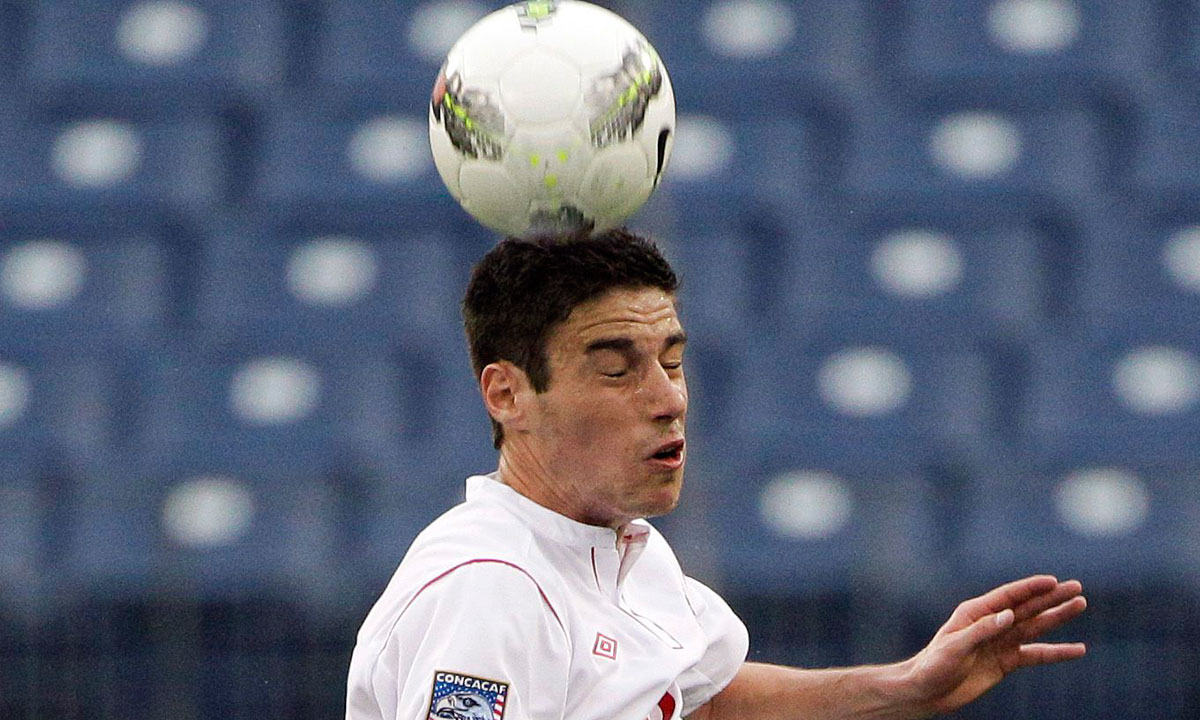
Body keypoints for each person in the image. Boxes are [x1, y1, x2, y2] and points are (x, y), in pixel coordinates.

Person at [345, 229, 1087, 720]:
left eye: (672, 362)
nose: (668, 399)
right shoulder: (491, 589)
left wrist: (904, 685)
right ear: (508, 394)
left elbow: (700, 701)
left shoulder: (627, 554)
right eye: (616, 370)